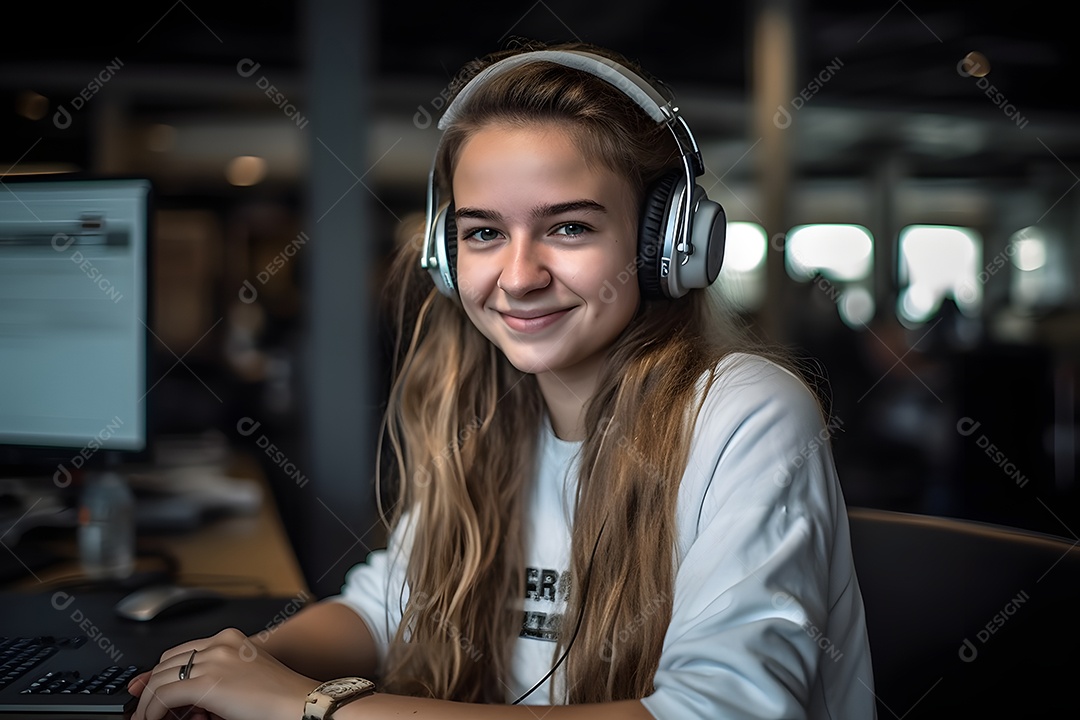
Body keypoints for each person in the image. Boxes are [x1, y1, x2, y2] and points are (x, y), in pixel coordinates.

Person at [129, 41, 876, 720]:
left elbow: (718, 713)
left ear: (667, 245)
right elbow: (387, 610)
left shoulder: (745, 413)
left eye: (570, 227)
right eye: (484, 232)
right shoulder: (482, 409)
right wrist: (243, 666)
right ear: (447, 258)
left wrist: (310, 707)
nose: (518, 277)